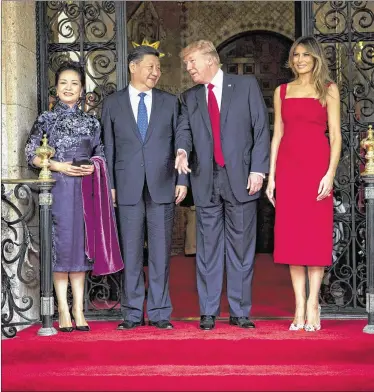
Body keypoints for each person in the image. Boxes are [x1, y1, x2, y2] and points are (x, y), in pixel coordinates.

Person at [175, 40, 270, 330]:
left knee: (241, 249)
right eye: (187, 64)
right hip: (205, 179)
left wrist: (258, 169)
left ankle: (240, 312)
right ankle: (208, 311)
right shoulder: (189, 97)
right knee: (208, 249)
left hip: (242, 178)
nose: (188, 68)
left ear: (210, 60)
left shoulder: (245, 86)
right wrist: (181, 150)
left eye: (192, 62)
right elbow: (185, 130)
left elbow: (261, 128)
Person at [25, 62, 123, 333]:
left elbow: (100, 153)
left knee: (80, 250)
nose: (68, 88)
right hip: (57, 189)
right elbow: (31, 154)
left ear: (82, 90)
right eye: (63, 83)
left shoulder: (92, 121)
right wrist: (58, 166)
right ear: (56, 89)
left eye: (74, 83)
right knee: (61, 249)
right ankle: (63, 311)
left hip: (85, 192)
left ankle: (80, 310)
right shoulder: (46, 119)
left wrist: (93, 165)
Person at [102, 45, 188, 330]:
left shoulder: (169, 102)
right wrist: (110, 186)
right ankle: (132, 313)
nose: (156, 72)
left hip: (162, 184)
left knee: (161, 253)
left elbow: (181, 143)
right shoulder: (112, 103)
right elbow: (109, 149)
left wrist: (182, 180)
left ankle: (161, 313)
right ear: (133, 67)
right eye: (150, 66)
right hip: (126, 187)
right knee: (132, 251)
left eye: (158, 68)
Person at [265, 36, 342, 332]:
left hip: (317, 169)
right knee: (292, 238)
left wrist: (330, 174)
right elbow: (278, 135)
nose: (299, 60)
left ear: (316, 58)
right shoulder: (281, 91)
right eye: (295, 55)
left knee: (314, 236)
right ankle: (298, 304)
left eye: (305, 55)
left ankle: (313, 304)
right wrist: (272, 177)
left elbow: (335, 136)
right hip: (289, 169)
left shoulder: (329, 90)